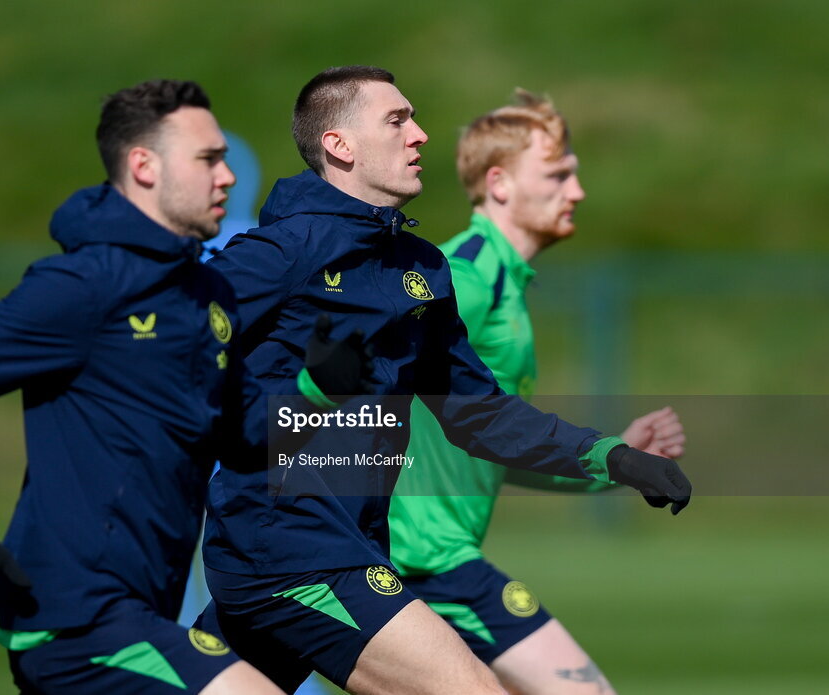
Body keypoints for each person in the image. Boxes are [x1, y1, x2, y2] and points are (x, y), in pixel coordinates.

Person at [199, 66, 692, 695]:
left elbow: (479, 412)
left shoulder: (422, 269)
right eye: (397, 121)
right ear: (339, 145)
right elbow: (169, 359)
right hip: (292, 552)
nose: (420, 135)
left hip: (343, 546)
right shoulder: (281, 254)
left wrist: (610, 456)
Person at [0, 79, 368, 695]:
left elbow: (243, 434)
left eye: (225, 157)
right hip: (75, 621)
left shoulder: (208, 298)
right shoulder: (85, 284)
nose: (227, 176)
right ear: (144, 166)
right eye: (207, 159)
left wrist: (312, 391)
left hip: (145, 607)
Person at [388, 89, 686, 695]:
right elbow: (346, 381)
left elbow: (493, 439)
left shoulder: (502, 284)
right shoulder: (462, 280)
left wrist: (615, 459)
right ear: (499, 183)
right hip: (421, 562)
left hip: (430, 561)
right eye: (557, 175)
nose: (575, 192)